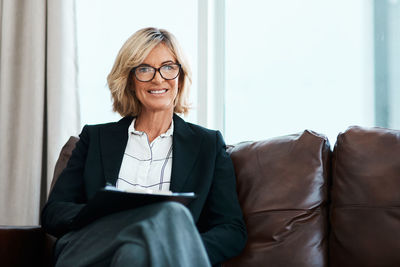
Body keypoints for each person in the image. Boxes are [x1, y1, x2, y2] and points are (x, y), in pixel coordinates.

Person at [41, 27, 247, 267]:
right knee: (173, 214)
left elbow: (232, 229)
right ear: (130, 80)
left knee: (137, 253)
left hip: (148, 259)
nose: (158, 78)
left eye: (168, 67)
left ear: (180, 77)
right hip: (90, 250)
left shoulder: (208, 145)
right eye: (145, 69)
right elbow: (54, 212)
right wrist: (107, 213)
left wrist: (175, 245)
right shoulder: (94, 138)